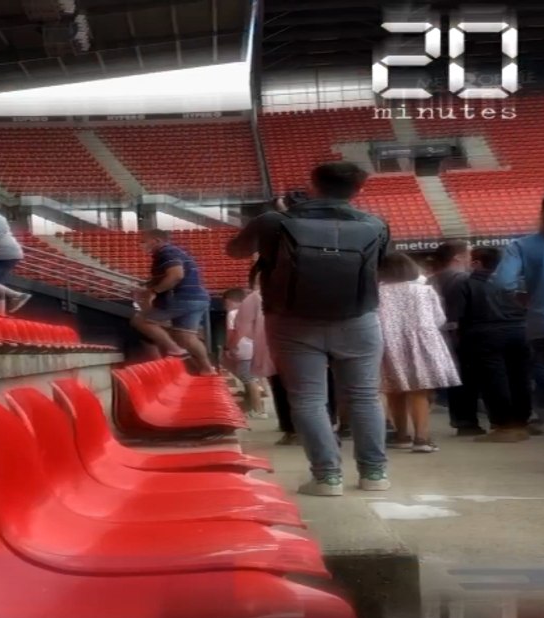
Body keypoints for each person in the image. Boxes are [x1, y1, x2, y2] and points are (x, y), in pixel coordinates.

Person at [227, 161, 389, 497]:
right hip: (358, 317)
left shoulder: (276, 221)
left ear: (312, 185)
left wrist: (272, 215)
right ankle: (374, 473)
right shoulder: (375, 224)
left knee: (309, 399)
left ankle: (327, 478)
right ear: (358, 190)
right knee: (364, 397)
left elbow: (235, 250)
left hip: (291, 320)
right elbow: (380, 267)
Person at [377, 253, 461, 453]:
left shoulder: (377, 293)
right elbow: (439, 319)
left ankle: (401, 435)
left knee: (394, 390)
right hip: (422, 343)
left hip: (389, 343)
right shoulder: (424, 291)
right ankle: (422, 438)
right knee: (419, 390)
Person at [446, 246, 530, 442]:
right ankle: (520, 421)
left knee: (494, 380)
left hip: (484, 334)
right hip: (520, 330)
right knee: (519, 378)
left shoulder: (465, 283)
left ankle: (504, 424)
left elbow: (454, 317)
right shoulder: (516, 282)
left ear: (477, 263)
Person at [492, 195, 544, 425]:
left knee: (542, 369)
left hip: (542, 322)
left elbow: (503, 283)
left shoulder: (521, 246)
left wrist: (520, 298)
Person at [132, 229, 215, 375]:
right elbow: (165, 277)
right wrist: (148, 288)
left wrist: (154, 292)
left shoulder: (166, 252)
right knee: (187, 336)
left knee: (141, 321)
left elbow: (176, 275)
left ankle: (174, 349)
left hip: (181, 297)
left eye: (143, 241)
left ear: (156, 241)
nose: (141, 245)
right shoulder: (173, 252)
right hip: (198, 298)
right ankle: (207, 368)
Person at [429, 240, 482, 436]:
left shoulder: (432, 279)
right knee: (467, 378)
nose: (471, 259)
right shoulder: (463, 279)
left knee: (456, 379)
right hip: (460, 333)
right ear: (458, 258)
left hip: (441, 333)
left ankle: (461, 419)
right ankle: (468, 420)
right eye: (468, 255)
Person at [224, 288, 266, 418]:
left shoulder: (233, 313)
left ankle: (258, 410)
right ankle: (256, 399)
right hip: (255, 347)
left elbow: (234, 332)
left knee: (248, 378)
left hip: (243, 348)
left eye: (225, 304)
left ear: (230, 301)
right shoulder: (252, 312)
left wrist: (229, 347)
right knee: (249, 376)